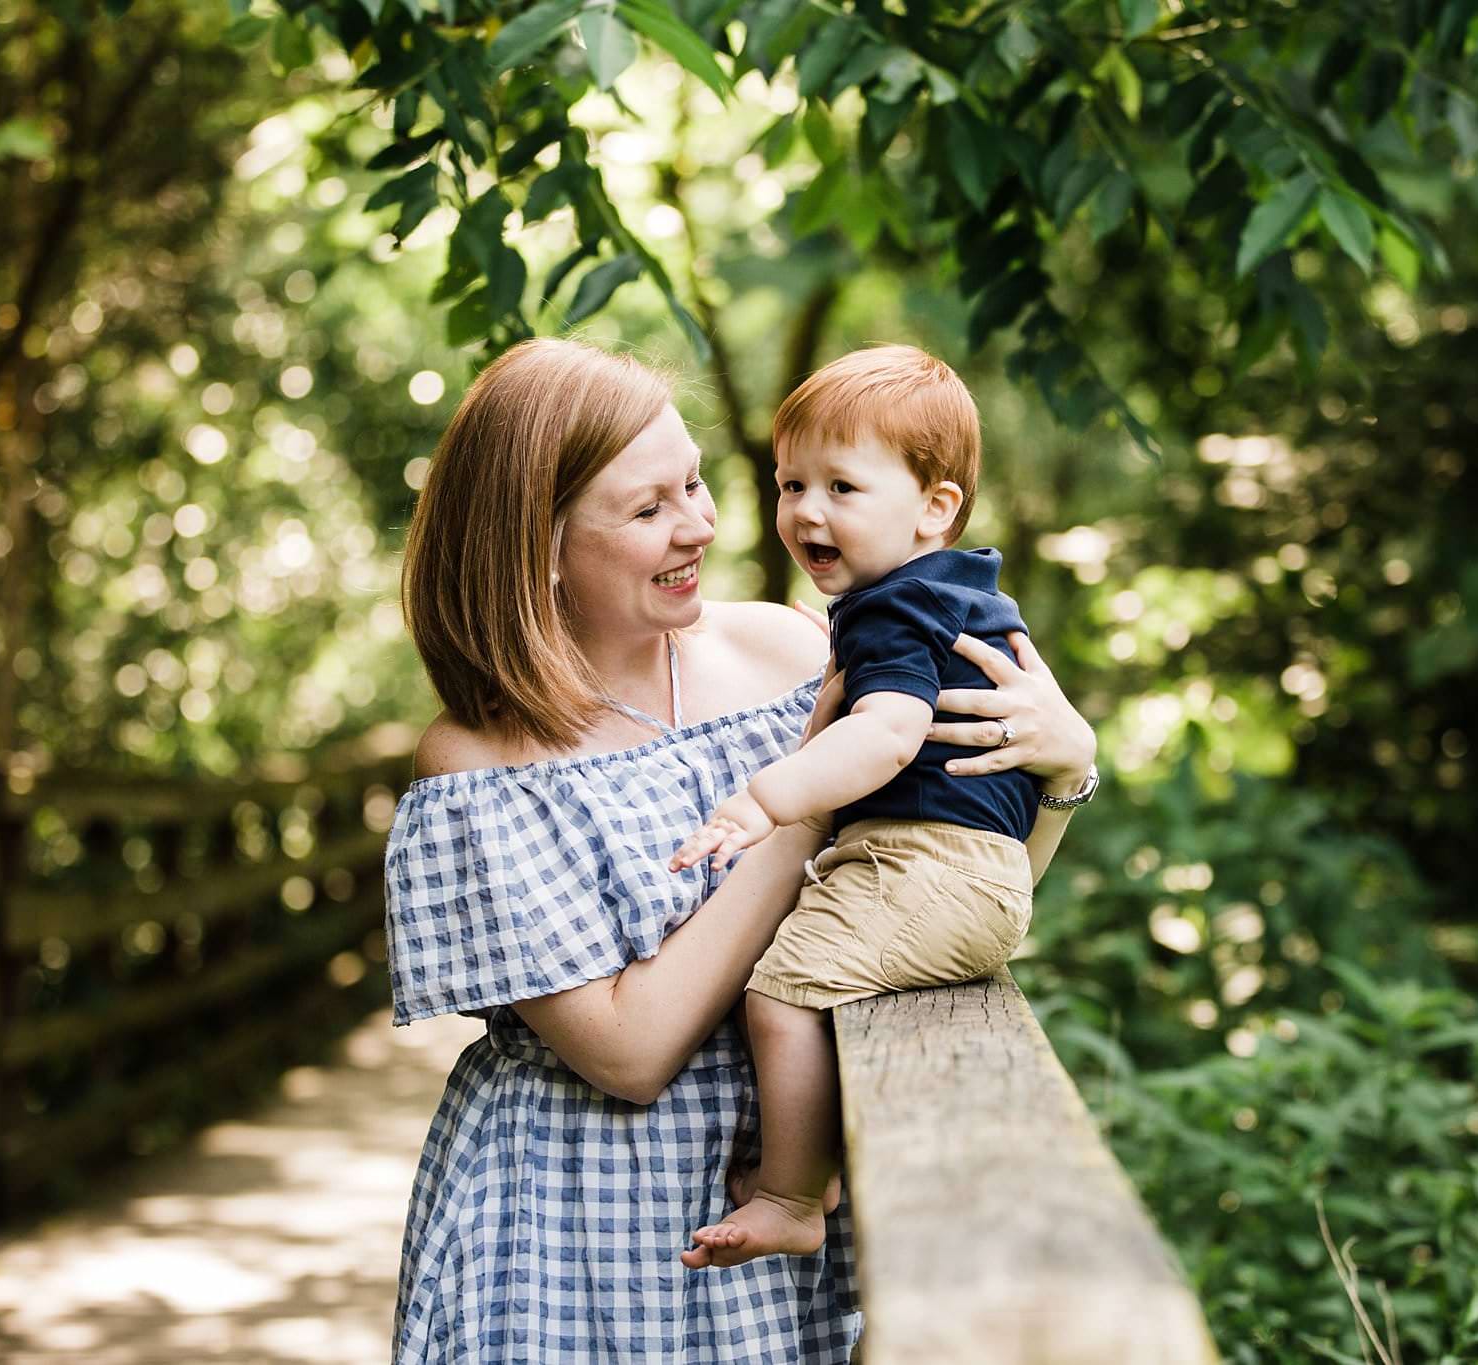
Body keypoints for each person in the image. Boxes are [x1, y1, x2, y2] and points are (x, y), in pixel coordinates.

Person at [386, 337, 1097, 1363]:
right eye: (647, 509)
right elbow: (627, 1053)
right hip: (583, 1224)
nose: (701, 526)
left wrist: (1064, 776)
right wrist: (803, 813)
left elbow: (937, 893)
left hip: (780, 1205)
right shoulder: (478, 763)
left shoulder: (791, 649)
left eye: (695, 484)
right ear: (536, 543)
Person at [667, 345, 1094, 1269]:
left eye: (842, 487)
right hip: (975, 870)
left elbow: (891, 734)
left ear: (934, 507)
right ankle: (810, 1159)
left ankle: (791, 1193)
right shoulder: (960, 591)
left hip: (926, 865)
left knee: (780, 995)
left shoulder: (889, 609)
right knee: (810, 988)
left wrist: (766, 798)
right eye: (790, 484)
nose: (806, 511)